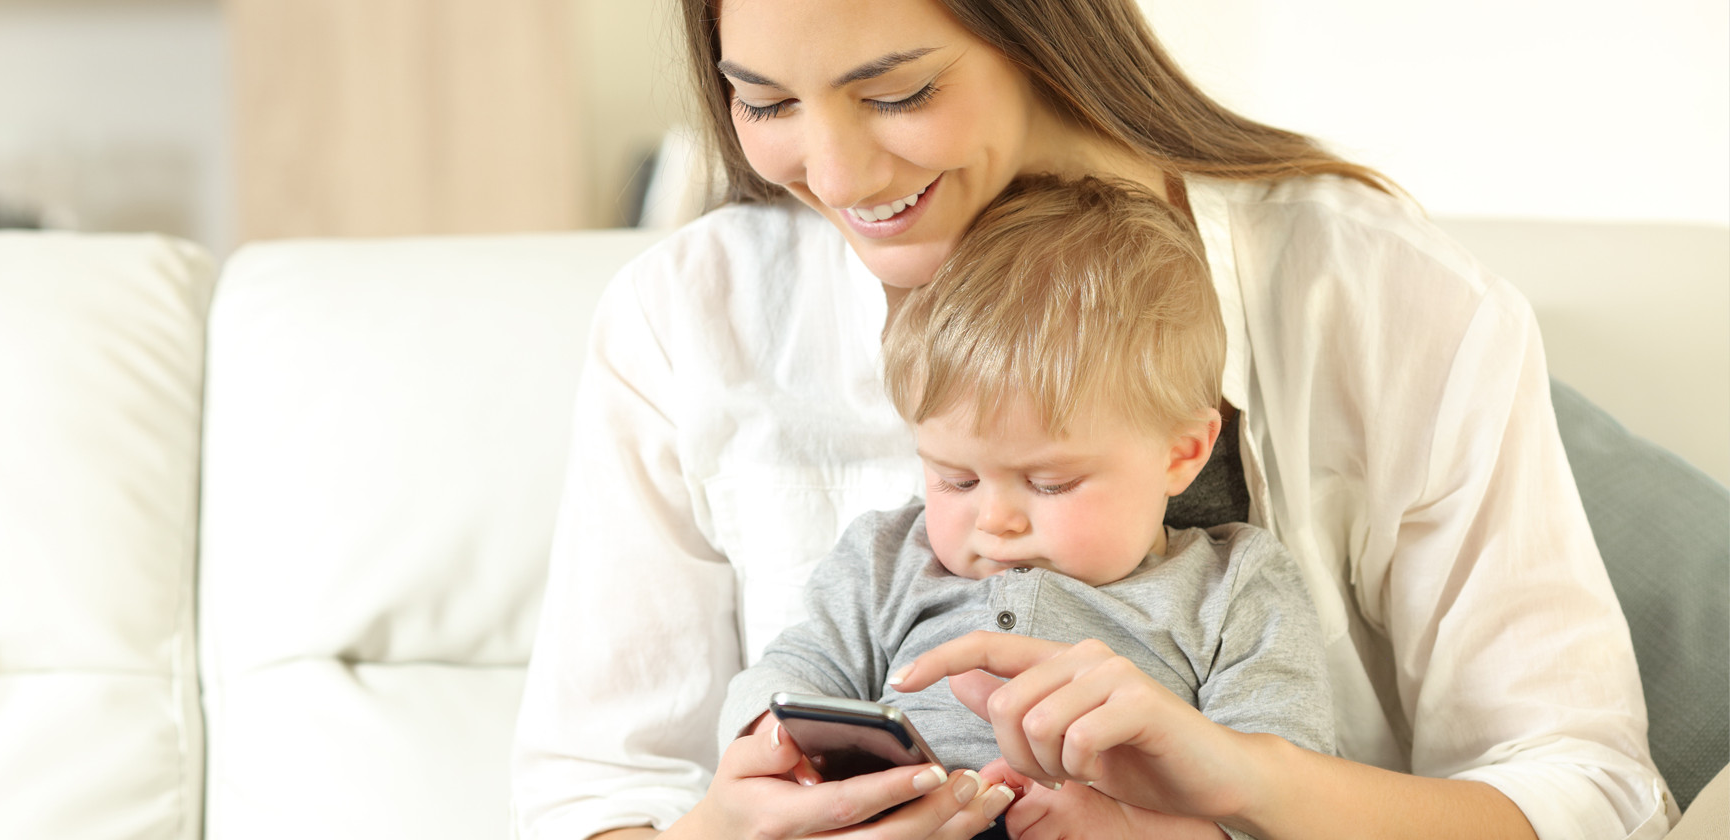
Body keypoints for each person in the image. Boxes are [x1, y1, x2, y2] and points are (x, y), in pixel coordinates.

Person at [510, 0, 1677, 837]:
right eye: (762, 102)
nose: (834, 172)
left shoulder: (1375, 297)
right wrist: (729, 830)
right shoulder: (687, 317)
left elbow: (1585, 790)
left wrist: (1240, 791)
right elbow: (594, 793)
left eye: (898, 91)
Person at [716, 174, 1333, 840]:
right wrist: (781, 742)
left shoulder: (1233, 587)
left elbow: (1282, 792)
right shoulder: (887, 558)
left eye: (1050, 483)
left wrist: (1132, 830)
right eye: (956, 479)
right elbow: (788, 676)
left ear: (1182, 453)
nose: (996, 520)